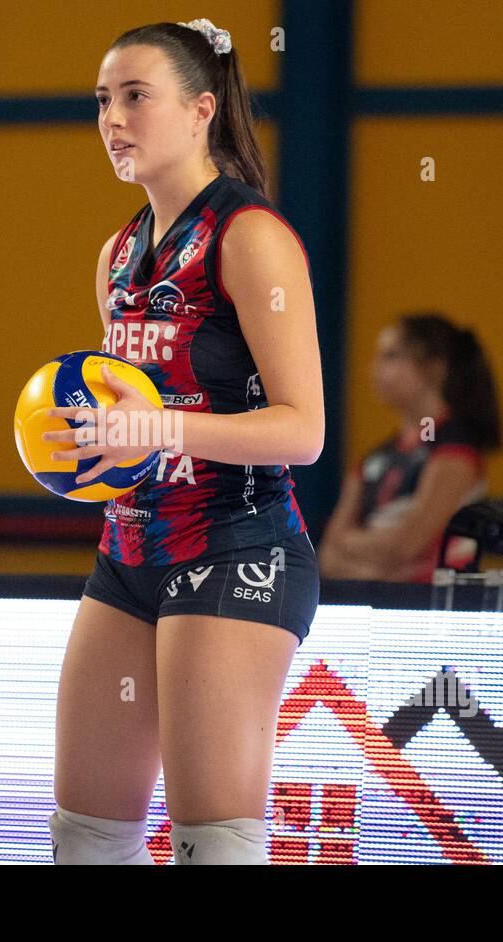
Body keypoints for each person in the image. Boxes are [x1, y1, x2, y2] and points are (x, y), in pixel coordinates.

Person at [40, 18, 324, 864]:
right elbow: (129, 415)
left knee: (213, 843)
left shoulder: (252, 238)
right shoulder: (120, 252)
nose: (113, 119)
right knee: (86, 839)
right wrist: (79, 442)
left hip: (239, 549)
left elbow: (302, 430)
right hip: (129, 546)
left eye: (135, 97)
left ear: (201, 110)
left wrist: (159, 426)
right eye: (102, 101)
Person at [318, 313, 503, 582]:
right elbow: (328, 553)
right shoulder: (375, 458)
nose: (375, 368)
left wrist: (354, 549)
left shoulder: (454, 451)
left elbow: (407, 546)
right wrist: (379, 570)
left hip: (430, 612)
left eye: (391, 356)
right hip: (376, 604)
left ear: (433, 368)